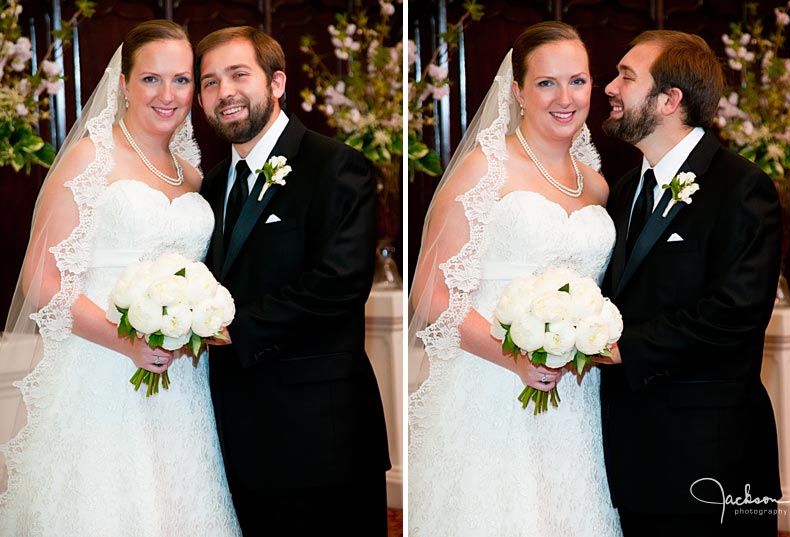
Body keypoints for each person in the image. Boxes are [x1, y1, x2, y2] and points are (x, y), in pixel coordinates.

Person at [0, 20, 241, 536]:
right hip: (101, 370)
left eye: (181, 80)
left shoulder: (194, 175)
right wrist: (126, 341)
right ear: (124, 84)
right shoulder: (89, 159)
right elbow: (39, 280)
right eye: (151, 79)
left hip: (183, 382)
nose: (168, 95)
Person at [408, 22, 622, 537]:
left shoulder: (595, 185)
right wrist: (516, 358)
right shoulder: (483, 169)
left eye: (578, 81)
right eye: (546, 83)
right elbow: (431, 292)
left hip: (576, 395)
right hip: (491, 384)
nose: (564, 97)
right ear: (519, 92)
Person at [194, 26, 390, 536]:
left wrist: (232, 330)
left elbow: (339, 283)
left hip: (319, 439)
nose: (224, 92)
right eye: (210, 82)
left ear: (276, 82)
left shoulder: (335, 166)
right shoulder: (211, 186)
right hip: (233, 433)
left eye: (239, 75)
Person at [597, 30, 782, 536]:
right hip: (631, 454)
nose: (609, 88)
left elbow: (734, 316)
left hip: (711, 457)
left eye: (626, 77)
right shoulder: (626, 190)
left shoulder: (741, 188)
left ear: (668, 100)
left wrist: (621, 349)